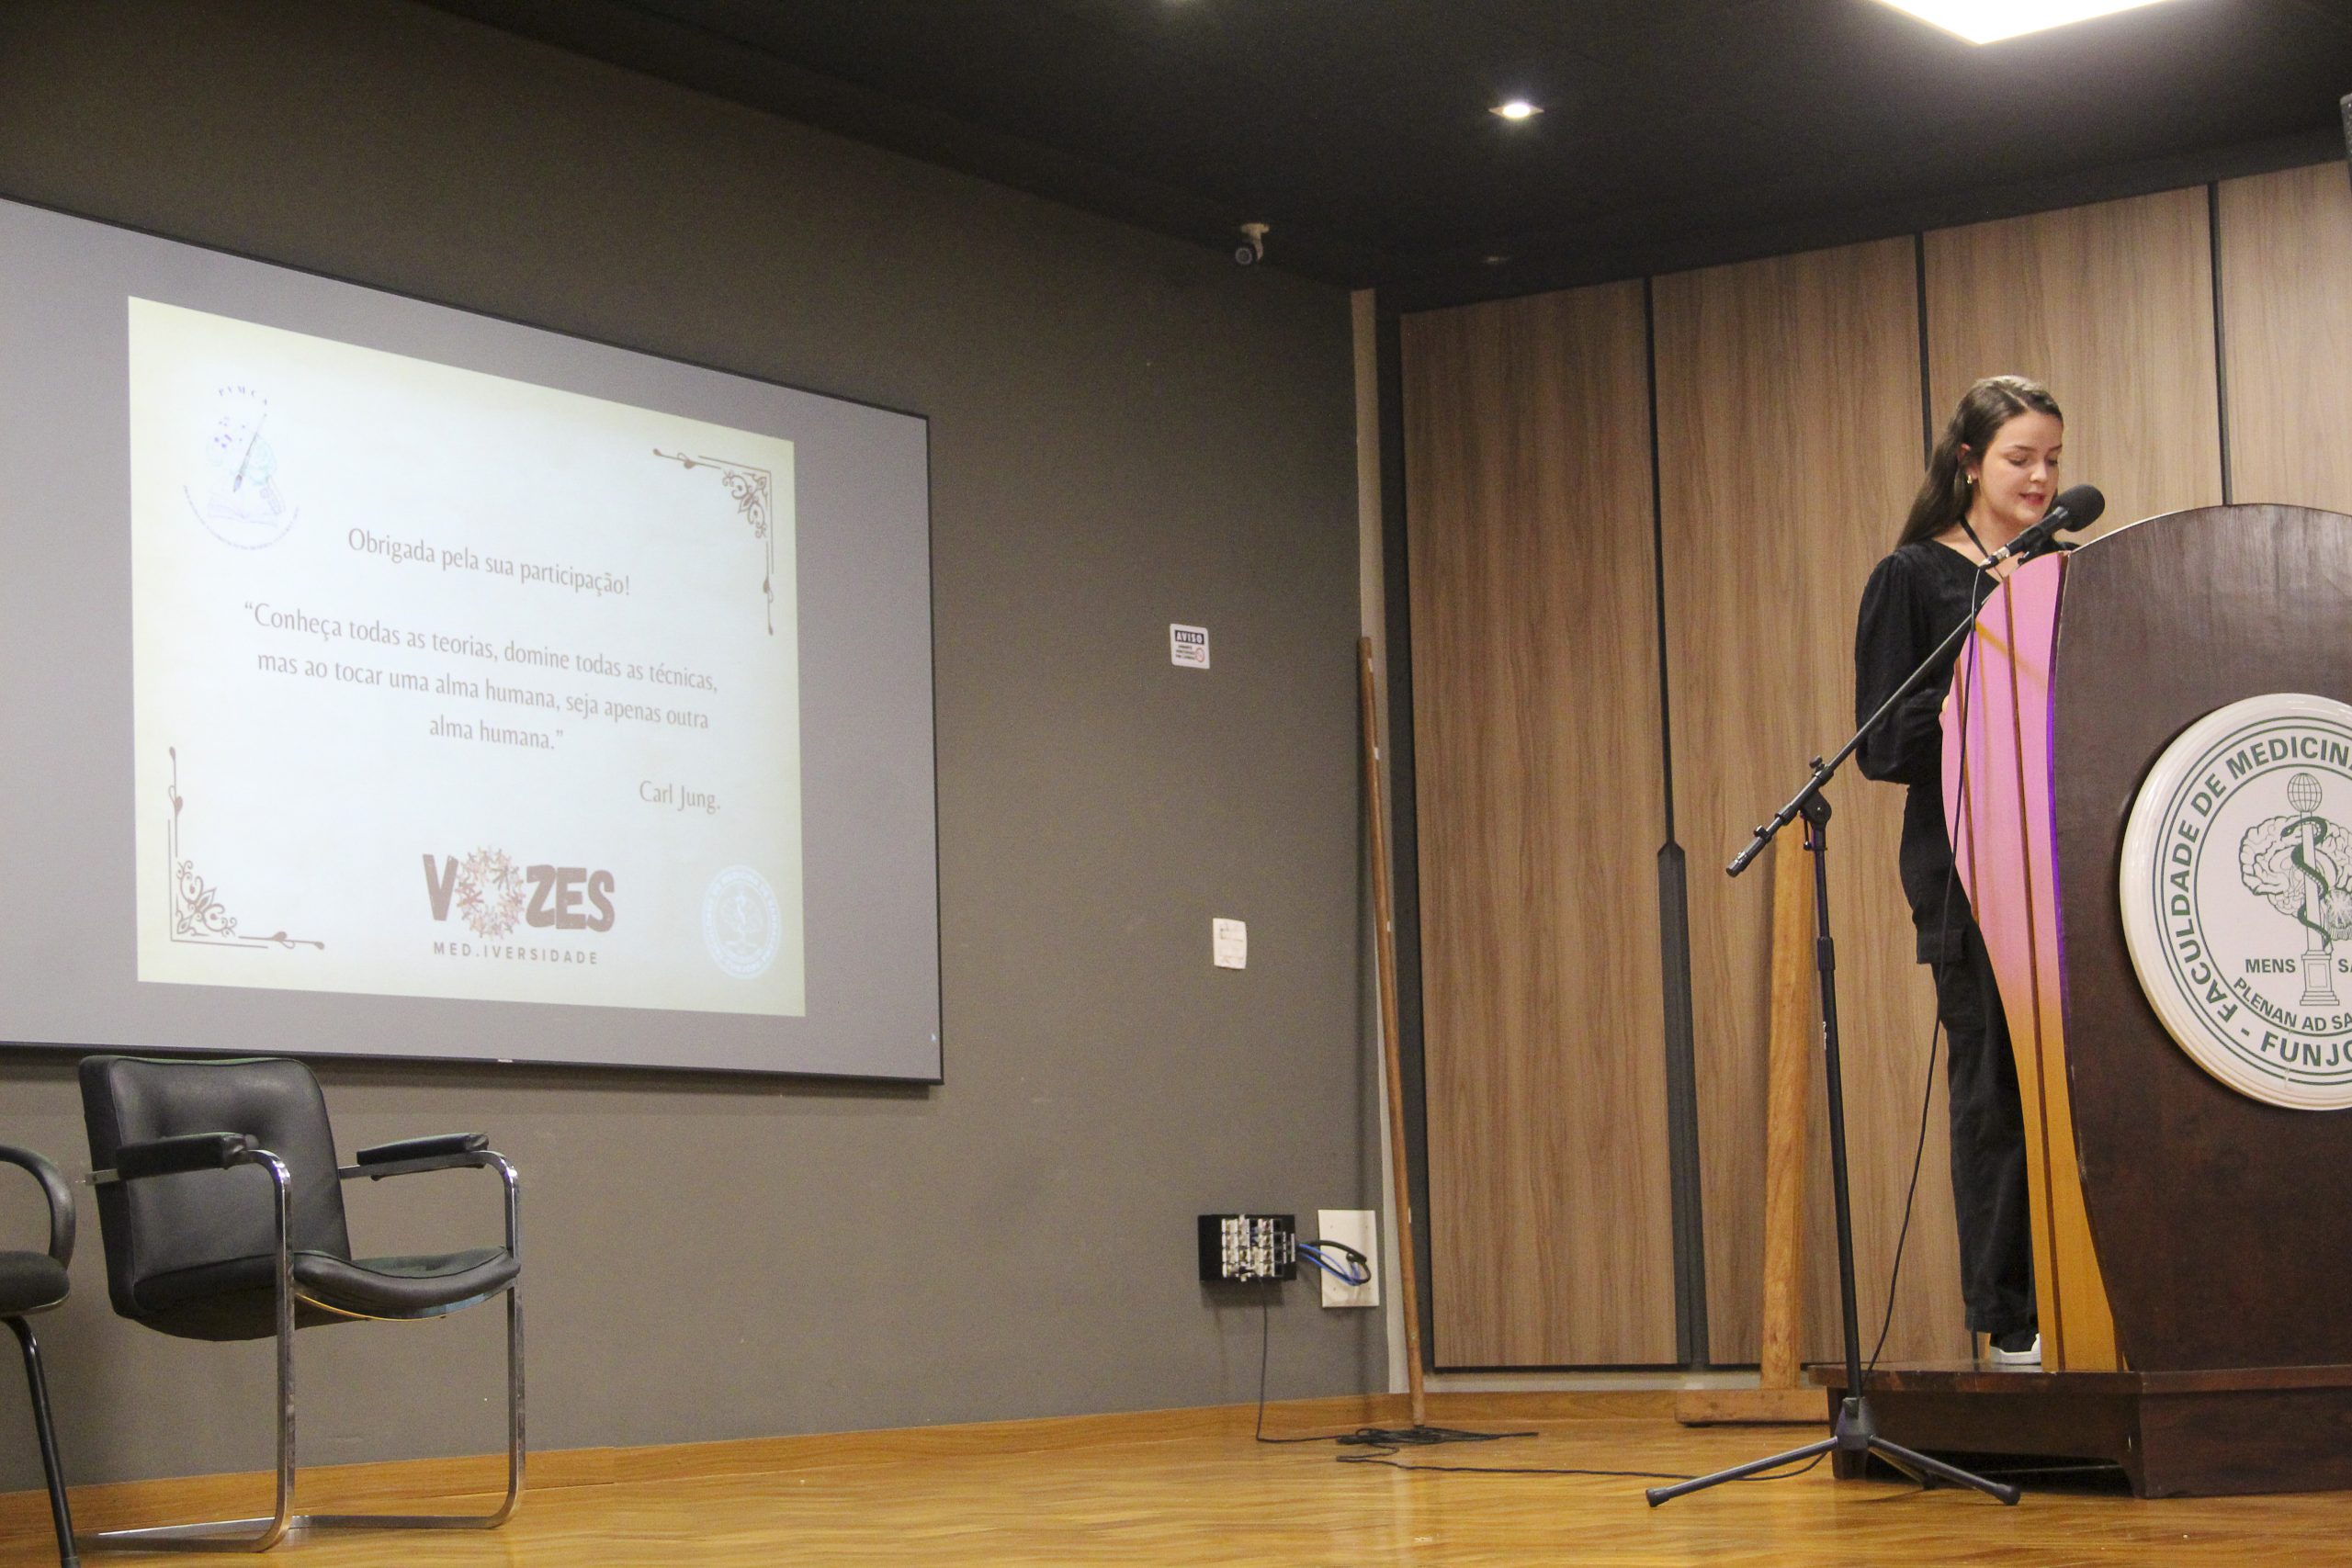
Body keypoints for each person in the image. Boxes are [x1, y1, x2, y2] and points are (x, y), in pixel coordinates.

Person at [1853, 374, 2064, 1368]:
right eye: (2021, 458)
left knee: (2084, 1090)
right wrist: (1962, 690)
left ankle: (2096, 1302)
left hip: (2070, 863)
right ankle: (2013, 1322)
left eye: (2052, 459)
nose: (2041, 477)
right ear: (1970, 464)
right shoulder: (1912, 577)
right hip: (1967, 871)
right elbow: (1881, 747)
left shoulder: (2065, 571)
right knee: (1996, 1092)